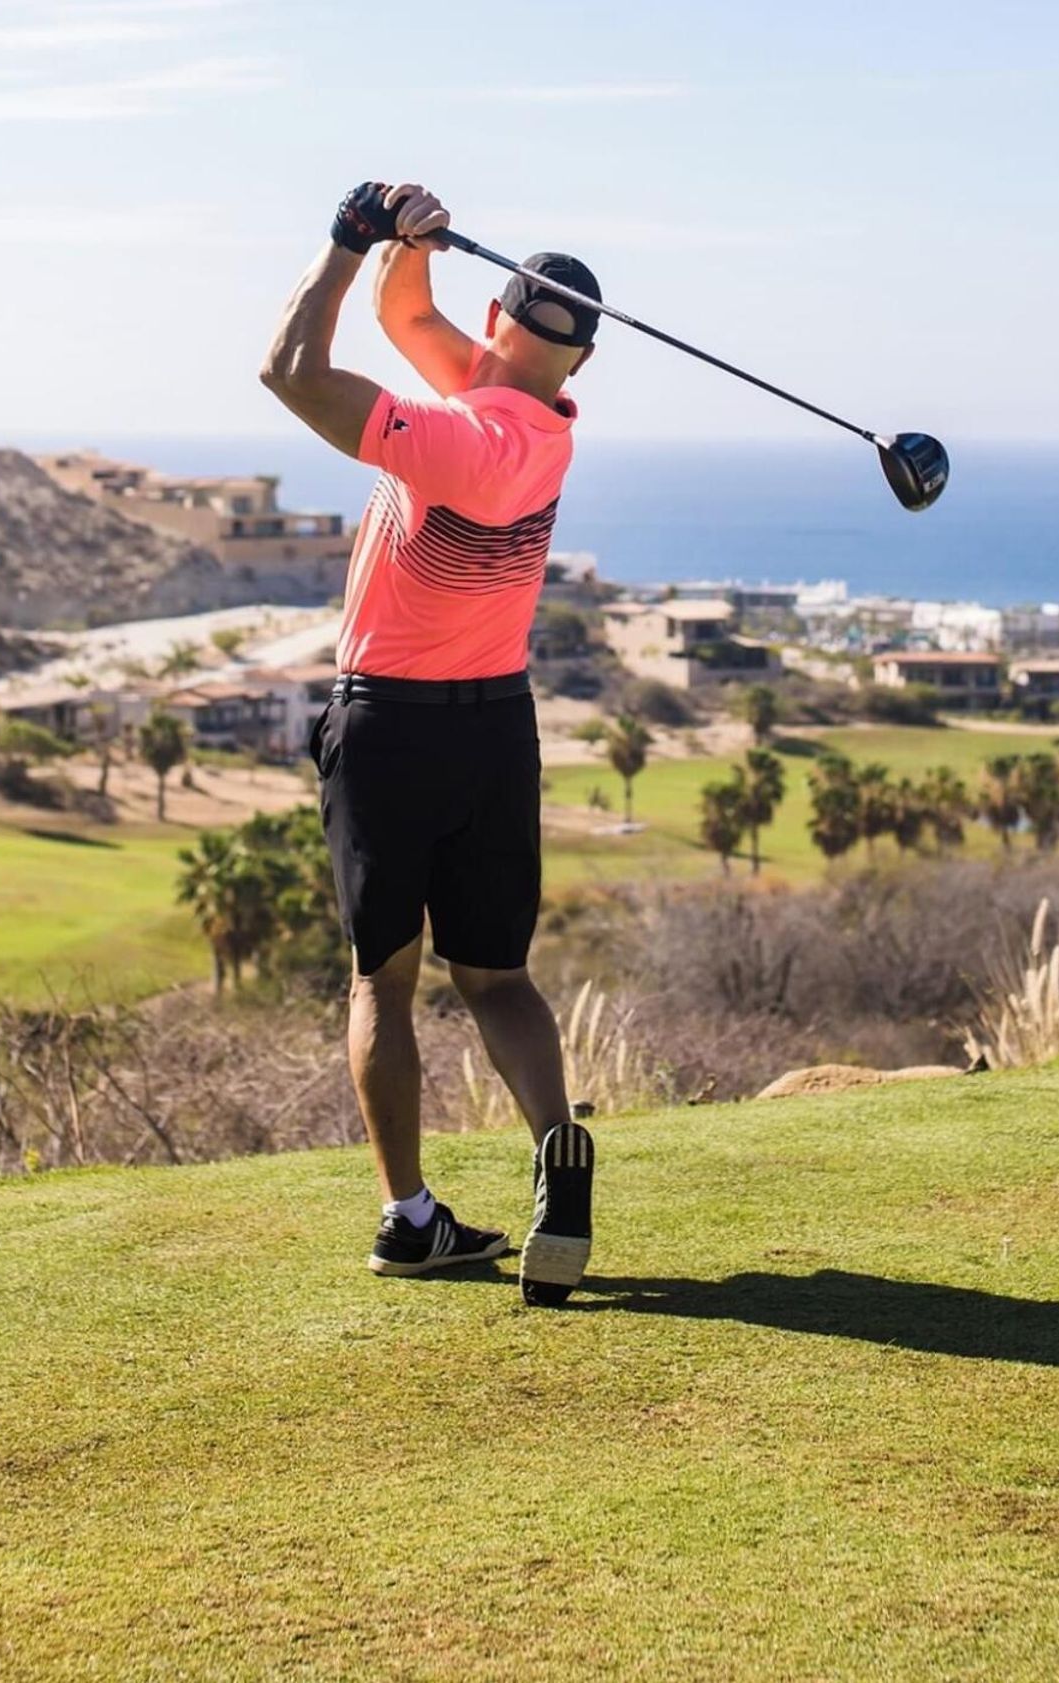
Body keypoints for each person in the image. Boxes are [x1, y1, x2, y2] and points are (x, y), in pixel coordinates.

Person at [260, 180, 601, 1307]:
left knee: (383, 984)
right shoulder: (537, 419)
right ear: (578, 362)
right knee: (498, 978)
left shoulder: (462, 441)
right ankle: (560, 1154)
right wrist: (416, 246)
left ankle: (410, 1220)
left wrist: (343, 244)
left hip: (391, 729)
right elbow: (410, 324)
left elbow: (290, 374)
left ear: (501, 323)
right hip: (496, 728)